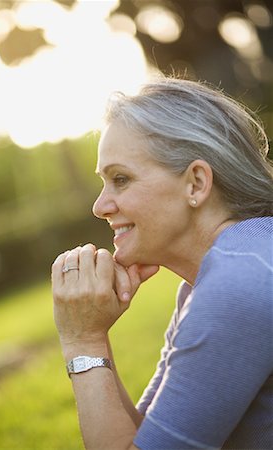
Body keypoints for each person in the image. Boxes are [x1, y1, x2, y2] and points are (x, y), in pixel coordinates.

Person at [51, 76, 273, 450]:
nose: (100, 206)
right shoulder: (216, 275)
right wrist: (96, 340)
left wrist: (81, 340)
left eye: (120, 179)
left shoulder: (237, 284)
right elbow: (149, 437)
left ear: (196, 184)